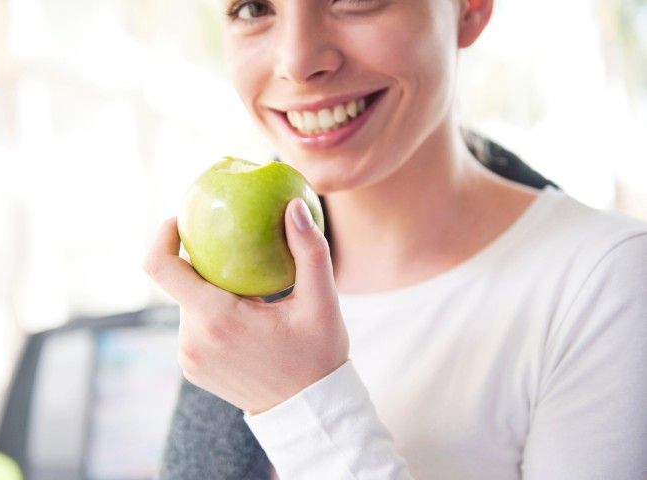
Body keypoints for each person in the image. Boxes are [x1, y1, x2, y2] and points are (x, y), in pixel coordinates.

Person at [143, 1, 647, 478]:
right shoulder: (234, 303)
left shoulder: (608, 280)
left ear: (469, 8)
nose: (297, 62)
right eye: (253, 8)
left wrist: (300, 402)